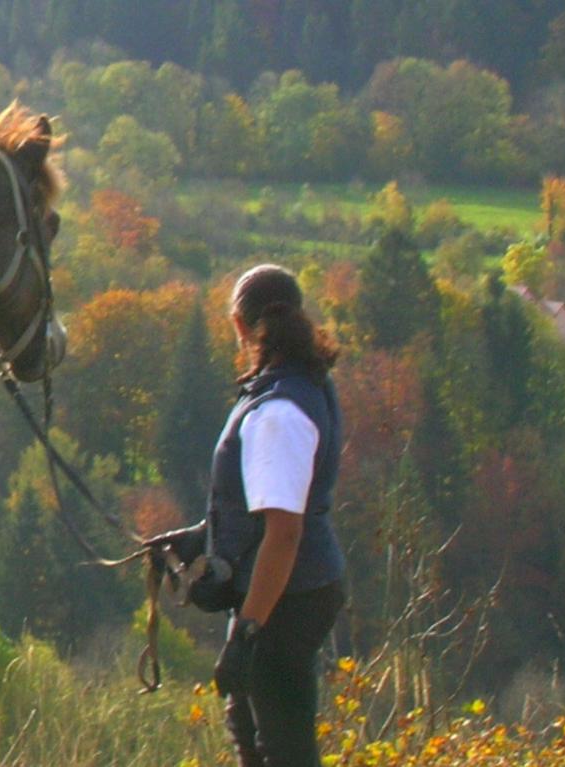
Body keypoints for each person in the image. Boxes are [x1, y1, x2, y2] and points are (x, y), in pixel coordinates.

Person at [148, 264, 346, 767]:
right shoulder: (296, 385)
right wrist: (199, 539)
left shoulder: (278, 412)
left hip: (288, 597)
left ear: (241, 326)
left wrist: (247, 631)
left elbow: (283, 532)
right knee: (250, 728)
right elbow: (261, 511)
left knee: (284, 750)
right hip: (290, 589)